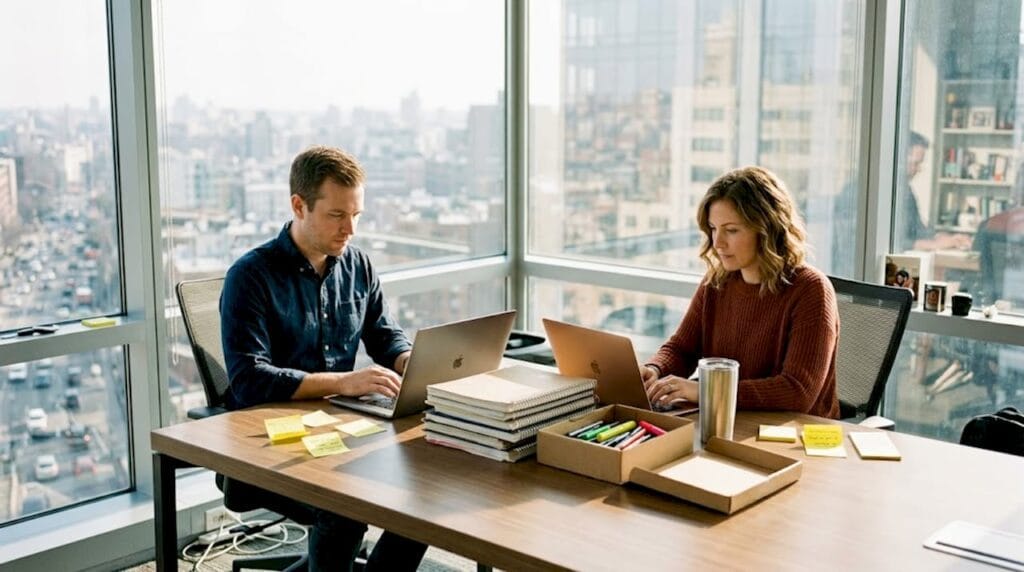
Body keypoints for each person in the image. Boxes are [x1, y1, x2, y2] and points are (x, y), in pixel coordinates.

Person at [220, 145, 428, 571]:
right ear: (299, 206)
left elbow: (384, 335)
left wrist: (411, 362)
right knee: (345, 508)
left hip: (340, 427)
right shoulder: (251, 276)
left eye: (357, 215)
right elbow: (249, 380)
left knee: (426, 489)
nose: (349, 228)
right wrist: (342, 383)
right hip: (270, 439)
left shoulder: (358, 266)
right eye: (337, 215)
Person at [641, 166, 841, 418]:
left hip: (794, 436)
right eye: (713, 229)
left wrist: (705, 390)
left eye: (731, 230)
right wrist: (654, 369)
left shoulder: (811, 290)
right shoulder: (716, 282)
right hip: (728, 422)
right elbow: (683, 349)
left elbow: (797, 392)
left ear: (766, 228)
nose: (717, 243)